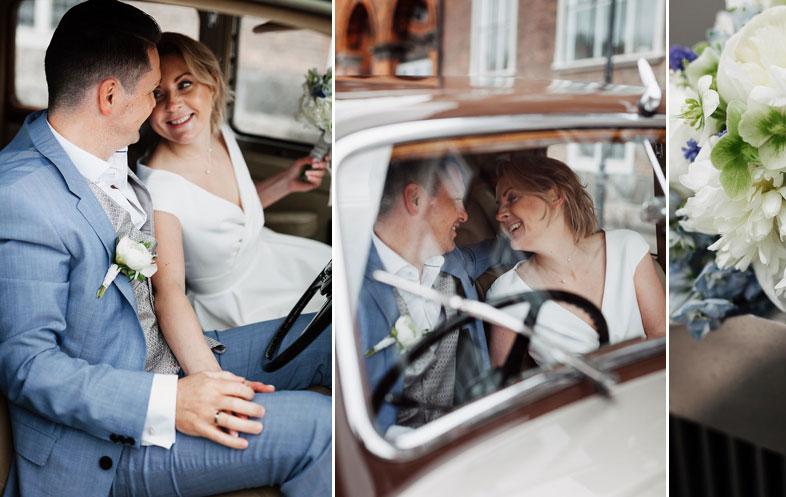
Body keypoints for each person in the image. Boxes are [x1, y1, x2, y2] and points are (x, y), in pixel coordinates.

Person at [0, 2, 330, 496]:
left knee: (329, 334)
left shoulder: (103, 153)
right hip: (108, 444)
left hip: (166, 360)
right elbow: (27, 368)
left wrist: (204, 378)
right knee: (318, 427)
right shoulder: (21, 196)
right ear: (110, 96)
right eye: (153, 92)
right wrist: (171, 402)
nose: (161, 104)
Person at [136, 32, 330, 334]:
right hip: (234, 308)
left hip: (271, 259)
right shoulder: (160, 188)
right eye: (158, 94)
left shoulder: (219, 132)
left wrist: (287, 182)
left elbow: (227, 219)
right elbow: (169, 290)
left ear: (212, 84)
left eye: (185, 84)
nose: (173, 103)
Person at [360, 158, 499, 436]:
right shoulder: (355, 287)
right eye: (457, 200)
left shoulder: (453, 262)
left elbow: (498, 251)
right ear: (416, 199)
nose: (464, 215)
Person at [487, 155, 666, 366]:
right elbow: (510, 387)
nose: (500, 214)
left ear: (554, 196)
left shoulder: (627, 248)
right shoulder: (507, 293)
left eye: (512, 198)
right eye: (499, 204)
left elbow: (663, 342)